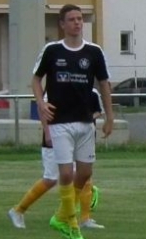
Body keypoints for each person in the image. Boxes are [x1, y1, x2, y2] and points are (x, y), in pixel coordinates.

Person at [31, 4, 114, 239]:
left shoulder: (94, 52)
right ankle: (72, 223)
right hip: (60, 121)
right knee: (66, 173)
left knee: (85, 172)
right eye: (72, 19)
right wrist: (41, 103)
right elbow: (36, 79)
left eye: (79, 19)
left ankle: (60, 216)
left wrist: (109, 116)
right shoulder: (52, 50)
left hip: (85, 121)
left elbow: (104, 84)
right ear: (62, 24)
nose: (77, 23)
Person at [7, 89, 104, 229]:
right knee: (50, 179)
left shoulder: (91, 90)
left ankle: (85, 219)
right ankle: (18, 210)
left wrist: (83, 118)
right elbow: (43, 109)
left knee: (84, 177)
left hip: (77, 139)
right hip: (56, 137)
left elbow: (98, 111)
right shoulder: (56, 86)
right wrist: (48, 133)